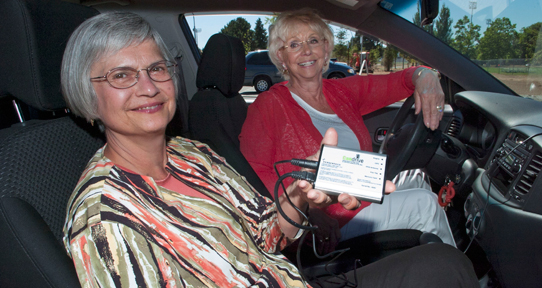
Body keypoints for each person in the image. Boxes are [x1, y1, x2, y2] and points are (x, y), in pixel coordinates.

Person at [61, 11, 478, 287]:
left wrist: (299, 196)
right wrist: (319, 215)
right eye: (121, 76)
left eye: (155, 69)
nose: (148, 86)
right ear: (87, 95)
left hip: (288, 275)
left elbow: (263, 230)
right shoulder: (106, 219)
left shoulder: (191, 154)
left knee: (447, 265)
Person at [239, 8, 456, 250]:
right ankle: (456, 273)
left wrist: (426, 75)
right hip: (330, 215)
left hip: (362, 190)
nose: (306, 50)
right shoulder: (268, 105)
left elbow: (401, 81)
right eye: (294, 44)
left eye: (313, 40)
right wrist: (307, 210)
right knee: (425, 204)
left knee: (417, 177)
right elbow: (253, 175)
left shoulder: (341, 91)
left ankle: (424, 261)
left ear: (326, 48)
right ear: (281, 56)